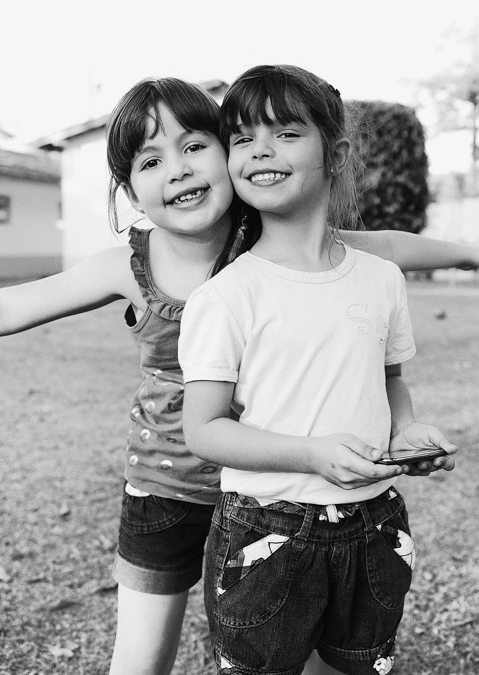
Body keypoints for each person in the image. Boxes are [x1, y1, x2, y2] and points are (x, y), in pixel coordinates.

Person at [0, 77, 479, 675]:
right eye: (150, 160)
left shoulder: (272, 242)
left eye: (195, 145)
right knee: (140, 660)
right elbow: (8, 305)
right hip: (167, 489)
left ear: (227, 160)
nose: (177, 169)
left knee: (276, 647)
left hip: (273, 493)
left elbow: (383, 247)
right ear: (131, 192)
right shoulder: (128, 264)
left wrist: (473, 252)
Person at [180, 65, 446, 675]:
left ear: (336, 152)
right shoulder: (227, 297)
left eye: (286, 133)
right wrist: (311, 454)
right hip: (265, 530)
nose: (261, 150)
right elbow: (204, 429)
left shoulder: (381, 278)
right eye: (242, 138)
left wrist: (405, 433)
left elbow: (389, 381)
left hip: (375, 523)